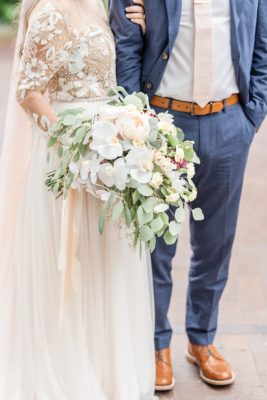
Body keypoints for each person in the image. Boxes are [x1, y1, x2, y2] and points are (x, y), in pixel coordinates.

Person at [0, 1, 156, 399]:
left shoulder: (97, 5)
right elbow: (28, 92)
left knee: (104, 264)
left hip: (104, 156)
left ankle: (104, 372)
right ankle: (67, 374)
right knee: (71, 266)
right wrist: (74, 142)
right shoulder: (51, 12)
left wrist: (120, 135)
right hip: (67, 155)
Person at [110, 0, 267, 390]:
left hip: (229, 122)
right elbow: (126, 48)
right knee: (155, 247)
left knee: (216, 244)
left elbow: (261, 46)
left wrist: (252, 116)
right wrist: (138, 122)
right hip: (162, 122)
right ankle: (156, 344)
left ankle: (202, 339)